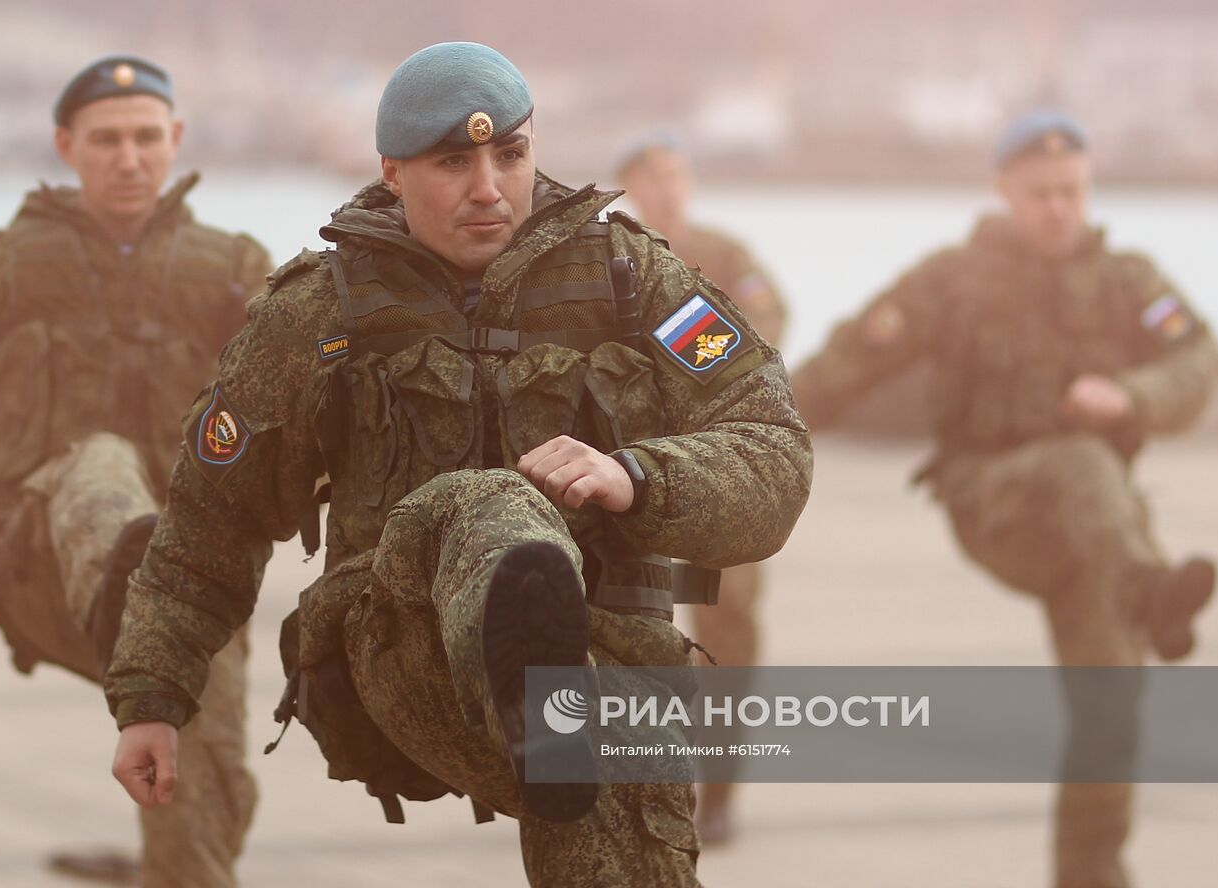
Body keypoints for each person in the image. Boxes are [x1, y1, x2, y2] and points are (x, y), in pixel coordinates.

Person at [104, 42, 812, 887]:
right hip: (405, 653)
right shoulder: (322, 314)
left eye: (509, 155)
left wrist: (640, 476)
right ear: (393, 172)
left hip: (608, 664)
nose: (489, 188)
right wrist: (153, 698)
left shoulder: (630, 279)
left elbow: (774, 447)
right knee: (483, 504)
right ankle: (537, 681)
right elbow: (208, 523)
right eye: (453, 162)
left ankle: (553, 707)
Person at [0, 55, 270, 888]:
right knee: (100, 462)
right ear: (65, 145)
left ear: (175, 139)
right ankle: (143, 618)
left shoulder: (232, 271)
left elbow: (310, 417)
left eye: (147, 138)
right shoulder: (2, 270)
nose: (129, 158)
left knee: (202, 784)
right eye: (106, 140)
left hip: (189, 578)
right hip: (35, 558)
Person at [790, 110, 1218, 888]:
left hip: (1101, 538)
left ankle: (1092, 877)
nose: (1059, 207)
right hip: (997, 501)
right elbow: (848, 361)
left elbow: (1198, 355)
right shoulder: (955, 279)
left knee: (1110, 713)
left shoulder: (1129, 281)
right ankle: (1155, 593)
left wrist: (1131, 394)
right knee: (1083, 464)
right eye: (1042, 193)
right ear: (1005, 192)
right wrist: (749, 430)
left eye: (1072, 191)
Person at [617, 133, 790, 845]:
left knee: (728, 626)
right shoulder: (608, 257)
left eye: (679, 176)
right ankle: (652, 787)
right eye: (654, 178)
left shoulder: (722, 252)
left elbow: (769, 317)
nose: (669, 190)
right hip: (632, 471)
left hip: (718, 465)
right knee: (636, 627)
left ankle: (718, 791)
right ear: (628, 187)